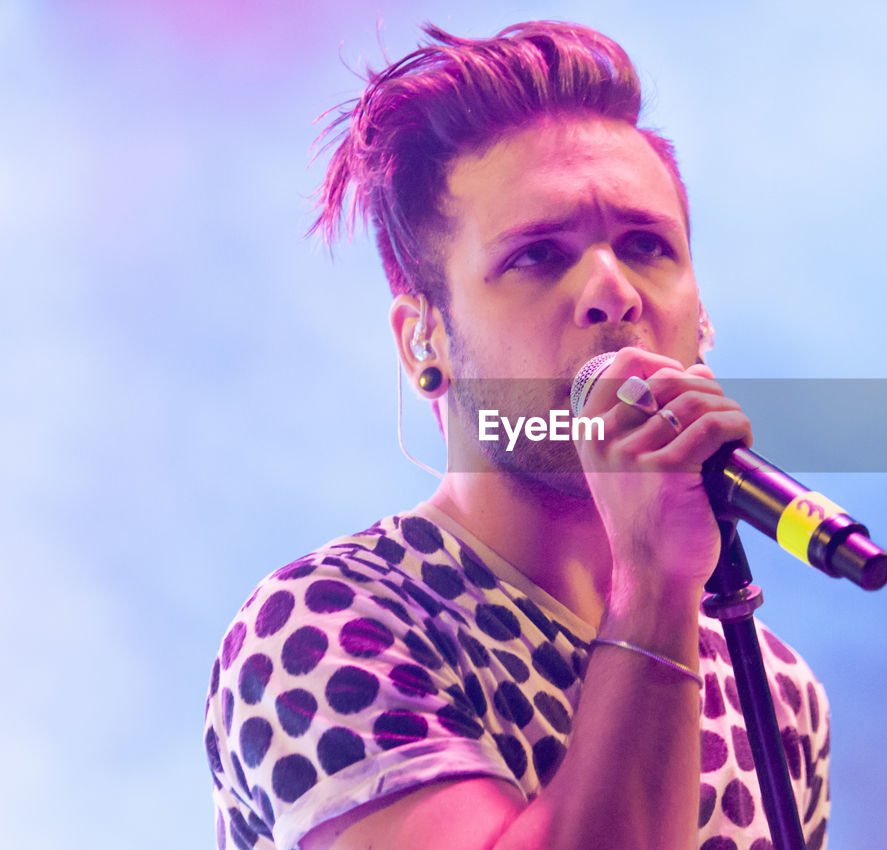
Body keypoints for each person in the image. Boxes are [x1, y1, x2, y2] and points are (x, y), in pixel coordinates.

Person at [204, 21, 830, 850]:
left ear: (703, 317)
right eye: (538, 255)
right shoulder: (326, 626)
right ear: (422, 340)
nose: (613, 291)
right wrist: (651, 589)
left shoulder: (776, 694)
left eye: (647, 246)